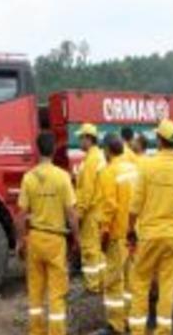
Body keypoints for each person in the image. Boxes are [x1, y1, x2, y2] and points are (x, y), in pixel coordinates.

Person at [127, 119, 173, 335]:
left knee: (140, 283)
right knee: (167, 286)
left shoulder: (146, 166)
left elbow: (135, 206)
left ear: (158, 140)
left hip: (148, 236)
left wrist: (130, 230)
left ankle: (137, 331)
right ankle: (163, 331)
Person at [17, 132, 80, 335]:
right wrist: (77, 240)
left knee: (35, 293)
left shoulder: (28, 178)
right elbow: (72, 214)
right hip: (56, 241)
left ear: (37, 150)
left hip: (35, 239)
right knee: (56, 293)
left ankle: (36, 331)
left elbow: (21, 215)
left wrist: (20, 241)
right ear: (53, 150)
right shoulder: (62, 177)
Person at [96, 133, 139, 335]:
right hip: (134, 233)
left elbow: (110, 206)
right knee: (131, 279)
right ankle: (131, 320)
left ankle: (116, 326)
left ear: (106, 150)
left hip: (118, 235)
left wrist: (103, 234)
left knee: (113, 281)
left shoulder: (108, 172)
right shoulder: (133, 167)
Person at [74, 122, 107, 293]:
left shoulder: (90, 161)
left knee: (89, 249)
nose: (79, 141)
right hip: (100, 210)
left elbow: (86, 190)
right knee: (98, 249)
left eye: (81, 137)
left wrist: (78, 213)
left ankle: (92, 286)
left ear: (88, 138)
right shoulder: (99, 156)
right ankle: (102, 281)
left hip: (91, 212)